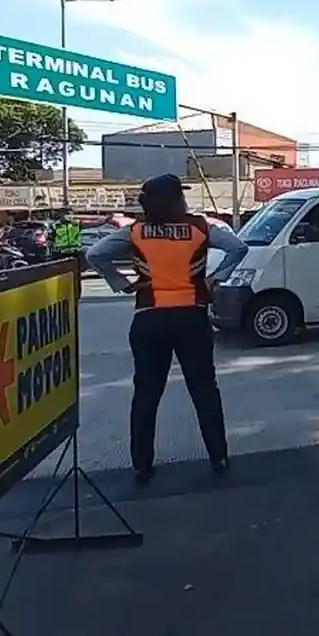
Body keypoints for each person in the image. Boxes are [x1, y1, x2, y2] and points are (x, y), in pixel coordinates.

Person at [86, 174, 249, 486]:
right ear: (176, 201)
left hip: (149, 320)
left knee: (146, 395)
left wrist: (121, 284)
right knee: (204, 391)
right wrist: (214, 280)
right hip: (192, 318)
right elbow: (238, 248)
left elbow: (95, 255)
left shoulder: (135, 232)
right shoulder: (201, 228)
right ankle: (219, 457)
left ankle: (142, 465)